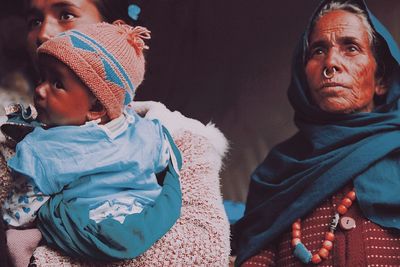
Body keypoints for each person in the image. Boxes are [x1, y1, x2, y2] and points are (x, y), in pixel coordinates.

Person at [0, 0, 231, 266]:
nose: (42, 33)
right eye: (34, 21)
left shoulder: (177, 135)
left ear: (112, 27)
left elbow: (202, 253)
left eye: (66, 14)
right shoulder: (14, 137)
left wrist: (45, 259)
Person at [234, 0, 400, 266]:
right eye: (318, 50)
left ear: (381, 80)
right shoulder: (277, 171)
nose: (331, 62)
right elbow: (256, 254)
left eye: (351, 48)